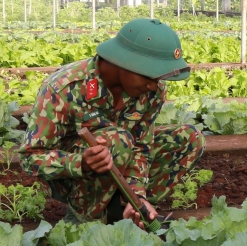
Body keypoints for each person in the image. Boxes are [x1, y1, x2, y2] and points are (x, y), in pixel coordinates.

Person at [21, 18, 204, 226]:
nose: (154, 86)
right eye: (150, 76)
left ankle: (131, 211)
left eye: (159, 78)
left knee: (190, 138)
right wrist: (81, 162)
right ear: (123, 62)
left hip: (119, 166)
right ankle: (85, 219)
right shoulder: (64, 87)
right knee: (117, 140)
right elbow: (30, 158)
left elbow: (141, 147)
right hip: (70, 178)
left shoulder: (152, 92)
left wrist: (137, 195)